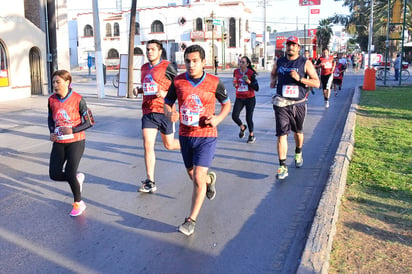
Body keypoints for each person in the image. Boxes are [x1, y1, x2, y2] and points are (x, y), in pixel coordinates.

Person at [164, 45, 231, 236]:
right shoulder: (178, 82)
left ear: (203, 62)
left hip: (206, 136)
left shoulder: (214, 82)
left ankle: (190, 220)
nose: (191, 65)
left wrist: (218, 119)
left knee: (198, 178)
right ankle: (210, 180)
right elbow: (167, 104)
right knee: (193, 176)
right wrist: (170, 114)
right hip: (185, 136)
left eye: (195, 61)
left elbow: (226, 104)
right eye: (187, 61)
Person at [270, 36, 320, 180]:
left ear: (298, 47)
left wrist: (300, 79)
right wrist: (273, 81)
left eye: (293, 45)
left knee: (298, 132)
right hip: (281, 103)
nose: (290, 47)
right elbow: (273, 74)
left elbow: (316, 83)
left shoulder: (305, 63)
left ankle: (298, 152)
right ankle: (282, 166)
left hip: (298, 103)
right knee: (281, 134)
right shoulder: (279, 62)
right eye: (288, 45)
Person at [48, 69, 95, 216]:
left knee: (69, 172)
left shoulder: (78, 99)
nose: (55, 85)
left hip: (76, 141)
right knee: (54, 174)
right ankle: (76, 178)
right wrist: (51, 131)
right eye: (53, 81)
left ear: (67, 82)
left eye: (58, 82)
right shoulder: (51, 100)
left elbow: (90, 121)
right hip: (59, 142)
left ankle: (78, 203)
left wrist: (72, 130)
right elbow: (50, 118)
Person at [138, 39, 180, 193]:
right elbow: (147, 87)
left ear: (160, 51)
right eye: (148, 49)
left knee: (169, 145)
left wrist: (164, 93)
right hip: (148, 112)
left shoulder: (168, 67)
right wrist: (139, 90)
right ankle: (150, 181)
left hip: (165, 111)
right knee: (148, 145)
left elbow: (179, 87)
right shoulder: (143, 68)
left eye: (153, 49)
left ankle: (189, 145)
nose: (149, 52)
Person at [232, 55, 259, 144]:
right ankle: (242, 127)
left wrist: (249, 82)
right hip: (239, 97)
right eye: (240, 62)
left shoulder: (251, 73)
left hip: (249, 98)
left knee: (248, 117)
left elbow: (256, 88)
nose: (240, 64)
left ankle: (251, 135)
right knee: (234, 116)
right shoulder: (236, 71)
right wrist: (235, 84)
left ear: (247, 64)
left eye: (243, 62)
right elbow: (235, 81)